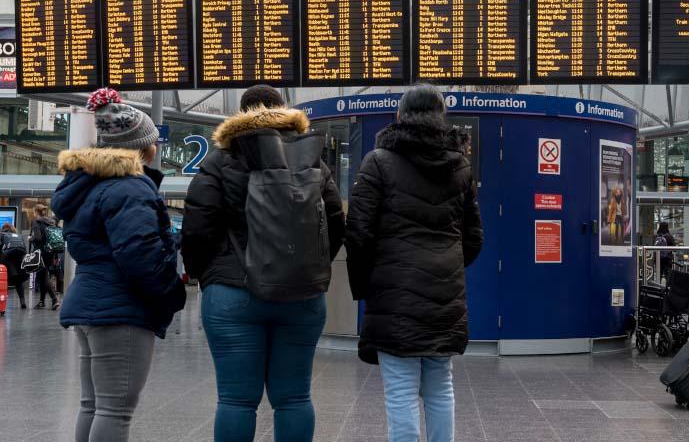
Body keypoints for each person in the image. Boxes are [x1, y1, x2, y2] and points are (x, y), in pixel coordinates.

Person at [181, 84, 346, 442]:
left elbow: (196, 227)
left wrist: (209, 276)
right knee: (295, 397)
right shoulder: (312, 160)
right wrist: (309, 268)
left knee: (237, 401)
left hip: (232, 294)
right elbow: (335, 221)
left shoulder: (218, 162)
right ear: (284, 111)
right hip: (301, 295)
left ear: (239, 115)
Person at [346, 85, 483, 442]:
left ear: (399, 117)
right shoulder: (461, 166)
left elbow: (358, 234)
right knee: (441, 386)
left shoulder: (377, 162)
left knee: (401, 390)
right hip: (445, 295)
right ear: (442, 118)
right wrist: (446, 266)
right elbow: (474, 238)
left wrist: (367, 285)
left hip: (394, 297)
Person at [51, 88, 187, 442]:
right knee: (114, 410)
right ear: (142, 146)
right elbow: (139, 254)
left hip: (91, 303)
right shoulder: (130, 188)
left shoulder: (90, 185)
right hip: (120, 309)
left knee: (93, 405)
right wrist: (173, 294)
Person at [30, 204, 60, 309]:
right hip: (50, 252)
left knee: (44, 276)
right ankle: (42, 302)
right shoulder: (50, 222)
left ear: (36, 212)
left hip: (41, 253)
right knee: (42, 276)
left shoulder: (36, 222)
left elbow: (37, 238)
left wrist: (30, 238)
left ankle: (54, 299)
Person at [1, 223, 29, 309]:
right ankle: (22, 301)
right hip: (18, 264)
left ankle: (2, 302)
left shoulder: (2, 235)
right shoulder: (18, 235)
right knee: (18, 283)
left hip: (7, 261)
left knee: (2, 281)